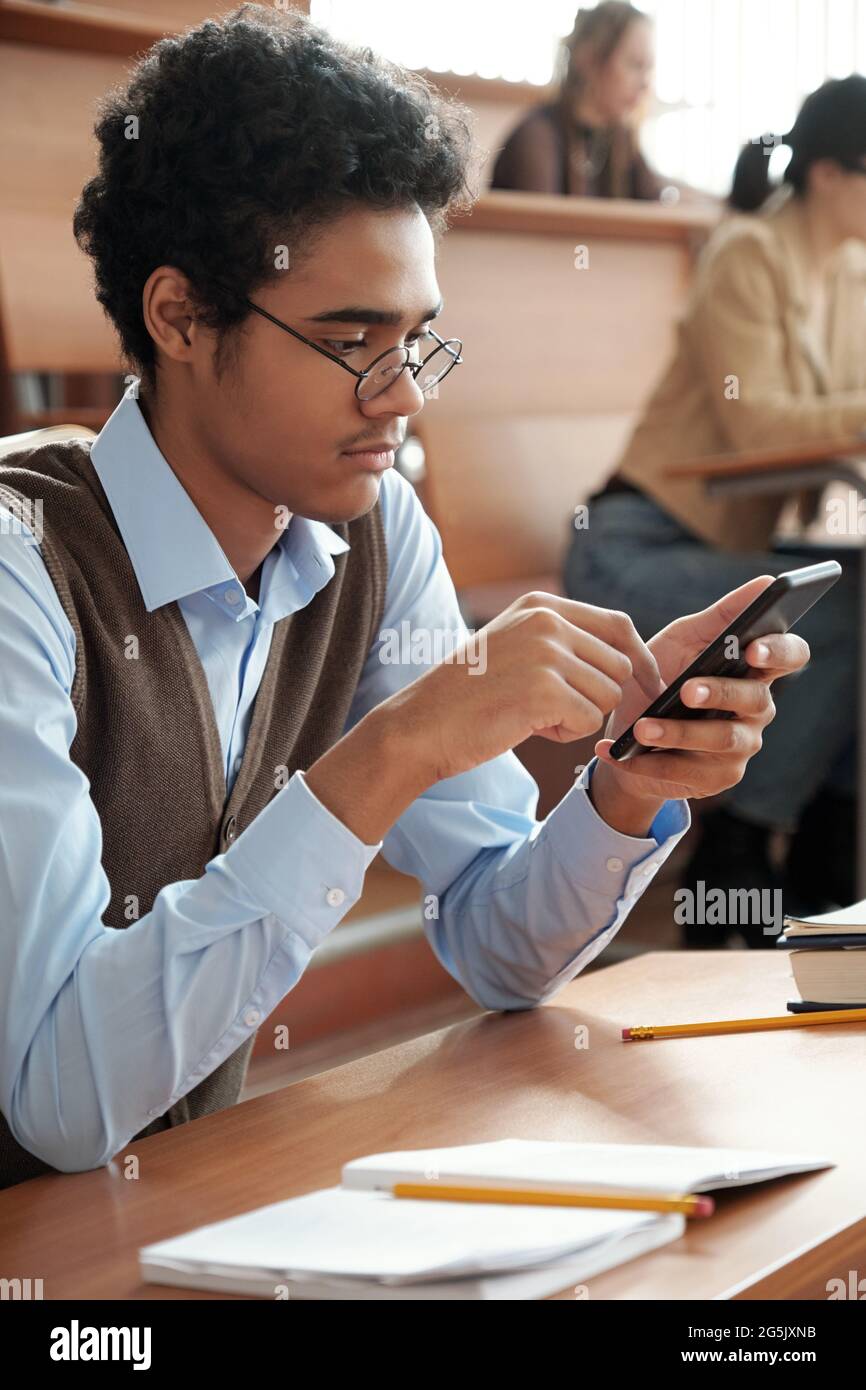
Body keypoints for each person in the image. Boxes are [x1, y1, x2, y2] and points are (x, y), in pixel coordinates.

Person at [0, 4, 806, 1187]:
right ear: (177, 315)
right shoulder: (23, 567)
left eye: (419, 339)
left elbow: (497, 941)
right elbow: (60, 1101)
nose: (402, 396)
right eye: (350, 340)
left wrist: (624, 787)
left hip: (165, 1228)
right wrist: (395, 749)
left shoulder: (370, 535)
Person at [564, 75, 866, 946]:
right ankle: (738, 849)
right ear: (830, 175)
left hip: (733, 549)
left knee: (857, 598)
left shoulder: (848, 269)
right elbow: (758, 425)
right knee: (843, 607)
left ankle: (821, 861)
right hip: (637, 547)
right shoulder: (747, 252)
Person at [491, 1, 665, 199]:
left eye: (648, 68)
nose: (645, 83)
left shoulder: (619, 139)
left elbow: (658, 205)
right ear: (589, 59)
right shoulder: (537, 137)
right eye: (634, 64)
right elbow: (543, 225)